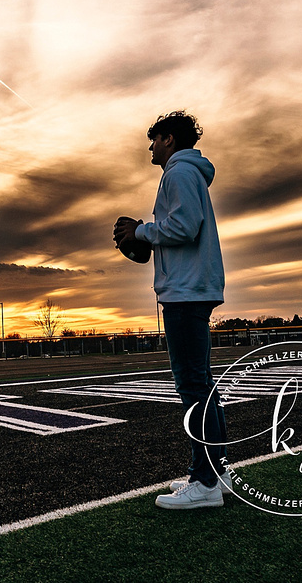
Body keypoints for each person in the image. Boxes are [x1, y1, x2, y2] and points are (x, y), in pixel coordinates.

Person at [113, 111, 230, 510]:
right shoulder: (188, 173)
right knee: (204, 386)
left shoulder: (178, 172)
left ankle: (205, 481)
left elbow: (185, 226)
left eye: (154, 140)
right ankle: (219, 471)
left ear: (169, 139)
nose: (150, 147)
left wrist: (141, 231)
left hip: (185, 291)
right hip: (192, 287)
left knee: (193, 387)